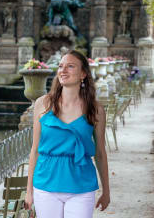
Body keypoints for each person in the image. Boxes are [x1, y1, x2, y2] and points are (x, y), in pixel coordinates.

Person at [24, 50, 110, 217]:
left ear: (83, 74)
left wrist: (106, 191)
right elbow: (35, 150)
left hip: (81, 186)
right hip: (46, 185)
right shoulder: (43, 104)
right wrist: (29, 190)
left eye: (70, 66)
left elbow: (100, 153)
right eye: (61, 66)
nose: (63, 70)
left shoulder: (96, 109)